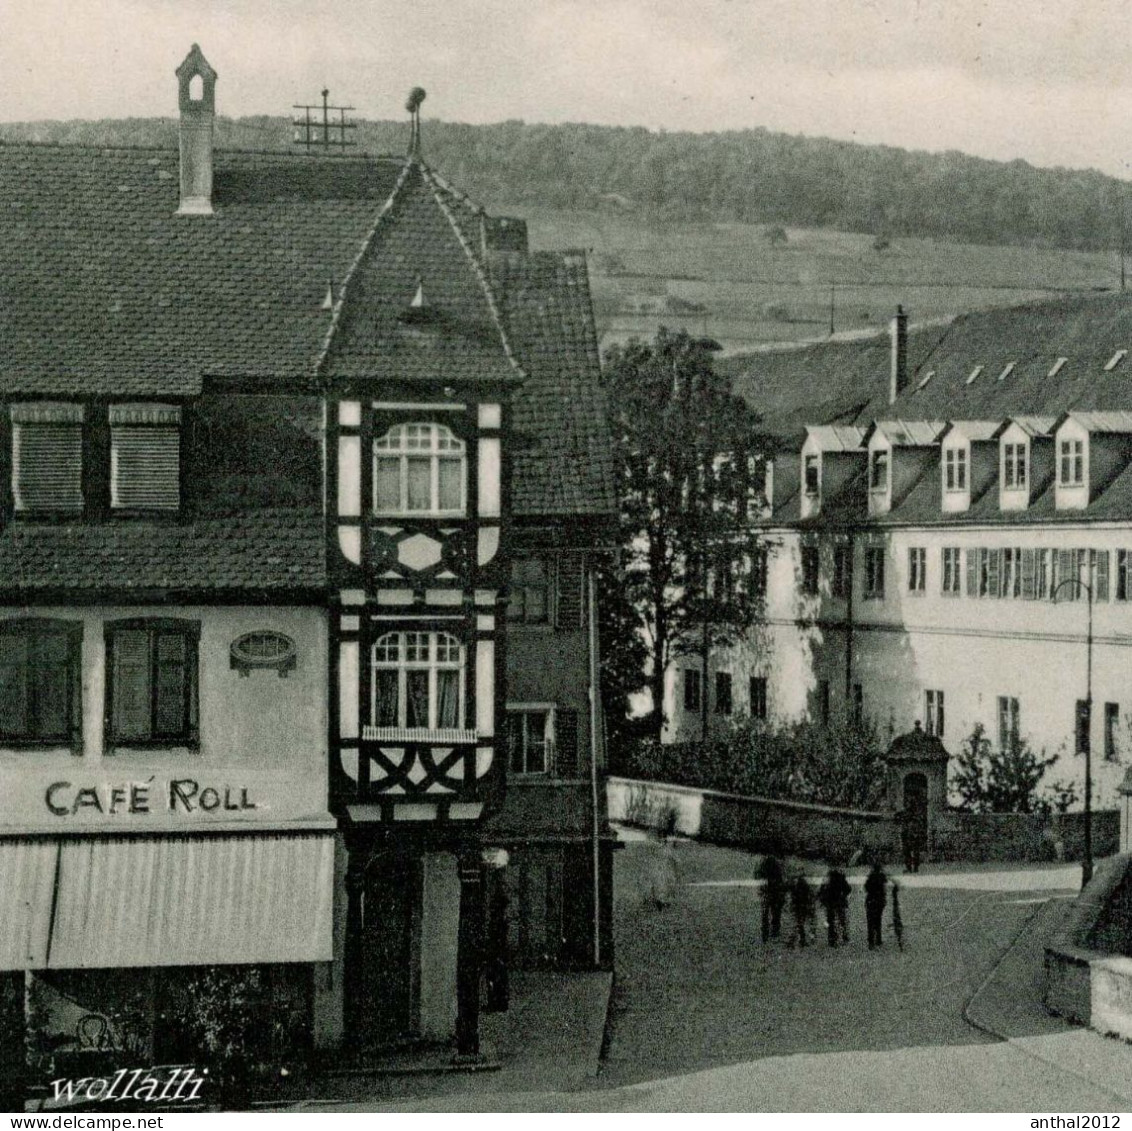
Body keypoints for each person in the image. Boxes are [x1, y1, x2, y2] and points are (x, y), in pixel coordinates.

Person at [756, 850, 787, 942]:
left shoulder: (764, 863)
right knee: (775, 913)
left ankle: (766, 933)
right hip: (775, 892)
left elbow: (758, 875)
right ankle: (774, 931)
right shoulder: (778, 865)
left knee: (766, 913)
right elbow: (782, 880)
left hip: (768, 891)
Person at [818, 865, 852, 947]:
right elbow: (848, 889)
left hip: (830, 903)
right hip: (840, 902)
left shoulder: (828, 879)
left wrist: (822, 900)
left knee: (831, 921)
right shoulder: (841, 878)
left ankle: (832, 940)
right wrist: (843, 896)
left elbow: (822, 891)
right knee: (842, 920)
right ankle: (845, 937)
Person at [864, 860, 888, 949]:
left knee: (870, 921)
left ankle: (871, 941)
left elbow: (866, 888)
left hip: (871, 900)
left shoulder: (870, 877)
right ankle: (878, 939)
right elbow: (884, 889)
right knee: (878, 920)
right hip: (879, 900)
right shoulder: (882, 876)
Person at [790, 873, 815, 948]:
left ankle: (799, 940)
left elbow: (793, 897)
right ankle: (802, 940)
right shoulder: (806, 886)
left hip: (798, 907)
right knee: (803, 923)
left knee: (799, 923)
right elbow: (810, 896)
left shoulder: (796, 887)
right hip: (804, 907)